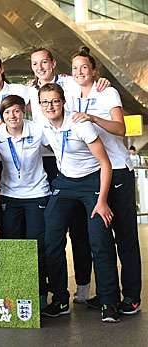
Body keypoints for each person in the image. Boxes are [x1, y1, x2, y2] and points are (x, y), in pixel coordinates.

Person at [67, 47, 142, 315]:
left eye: (84, 68)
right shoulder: (70, 92)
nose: (79, 72)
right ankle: (107, 293)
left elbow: (120, 128)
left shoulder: (106, 91)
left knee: (125, 237)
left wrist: (93, 117)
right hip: (94, 173)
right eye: (75, 68)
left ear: (94, 71)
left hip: (118, 170)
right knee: (100, 238)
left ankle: (132, 297)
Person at [38, 83, 120, 323]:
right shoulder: (43, 124)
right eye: (45, 102)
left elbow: (105, 163)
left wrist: (103, 200)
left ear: (63, 102)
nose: (50, 106)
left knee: (99, 239)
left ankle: (109, 301)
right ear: (40, 106)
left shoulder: (80, 124)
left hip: (92, 182)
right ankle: (61, 299)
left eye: (54, 101)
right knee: (51, 239)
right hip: (65, 183)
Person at [0, 95, 51, 308]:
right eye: (6, 112)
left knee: (37, 247)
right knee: (13, 247)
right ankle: (15, 292)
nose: (12, 116)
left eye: (16, 111)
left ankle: (41, 294)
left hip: (37, 195)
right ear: (1, 116)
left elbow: (57, 141)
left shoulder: (37, 129)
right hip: (9, 197)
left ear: (23, 112)